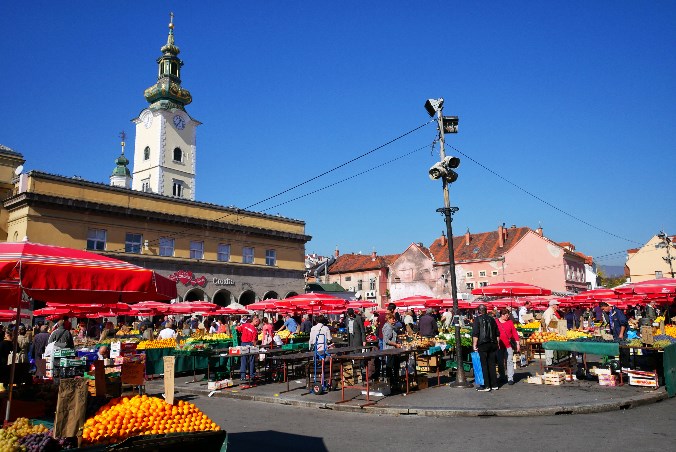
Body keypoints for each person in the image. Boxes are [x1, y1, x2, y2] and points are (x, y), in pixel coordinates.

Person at [472, 304, 499, 392]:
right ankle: (494, 384)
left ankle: (486, 385)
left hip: (483, 344)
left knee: (484, 365)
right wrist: (497, 343)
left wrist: (474, 344)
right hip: (492, 343)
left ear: (478, 311)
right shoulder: (492, 319)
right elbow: (497, 333)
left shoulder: (477, 319)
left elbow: (476, 333)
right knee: (492, 364)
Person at [495, 308, 520, 385]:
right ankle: (502, 376)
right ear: (502, 315)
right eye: (506, 315)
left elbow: (514, 333)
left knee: (509, 361)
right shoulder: (496, 322)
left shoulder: (510, 322)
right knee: (500, 362)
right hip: (499, 346)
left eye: (508, 315)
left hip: (508, 345)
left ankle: (510, 378)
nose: (508, 316)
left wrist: (517, 343)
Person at [236, 316, 260, 382]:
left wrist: (237, 326)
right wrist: (256, 348)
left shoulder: (245, 325)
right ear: (255, 321)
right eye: (258, 323)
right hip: (250, 344)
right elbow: (254, 341)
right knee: (251, 360)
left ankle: (243, 376)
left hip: (243, 344)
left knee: (243, 360)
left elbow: (238, 328)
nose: (258, 324)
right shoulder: (254, 330)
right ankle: (252, 375)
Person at [382, 313, 401, 390]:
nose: (394, 320)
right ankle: (391, 382)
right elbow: (386, 340)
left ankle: (393, 381)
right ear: (389, 319)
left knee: (394, 364)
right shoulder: (389, 328)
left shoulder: (389, 326)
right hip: (390, 349)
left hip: (391, 349)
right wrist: (396, 344)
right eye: (393, 319)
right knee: (391, 365)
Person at [542, 300, 560, 365]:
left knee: (551, 350)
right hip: (549, 335)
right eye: (557, 305)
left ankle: (551, 363)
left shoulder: (552, 312)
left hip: (552, 335)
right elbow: (548, 324)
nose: (558, 306)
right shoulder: (548, 313)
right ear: (553, 306)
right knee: (549, 350)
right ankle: (549, 365)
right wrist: (554, 332)